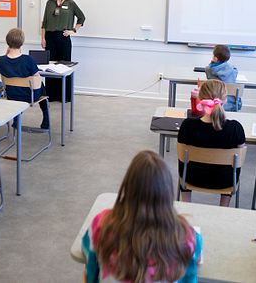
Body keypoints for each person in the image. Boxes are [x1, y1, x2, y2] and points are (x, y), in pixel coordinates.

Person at [82, 151, 201, 283]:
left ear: (127, 187)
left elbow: (90, 276)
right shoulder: (187, 238)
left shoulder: (101, 225)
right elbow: (190, 278)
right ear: (168, 194)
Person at [177, 79, 246, 206]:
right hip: (225, 181)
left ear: (200, 99)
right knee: (234, 165)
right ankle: (224, 207)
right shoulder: (235, 128)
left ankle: (185, 204)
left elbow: (181, 158)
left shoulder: (187, 126)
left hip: (191, 177)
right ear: (224, 100)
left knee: (183, 160)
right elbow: (240, 158)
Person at [0, 28, 49, 129]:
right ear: (22, 42)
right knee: (41, 85)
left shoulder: (1, 60)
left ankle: (16, 120)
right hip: (29, 96)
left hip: (11, 94)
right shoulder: (28, 59)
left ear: (7, 42)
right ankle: (46, 119)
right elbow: (37, 77)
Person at [40, 0, 85, 102]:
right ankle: (52, 95)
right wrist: (43, 38)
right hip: (50, 37)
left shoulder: (70, 4)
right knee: (50, 66)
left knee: (64, 66)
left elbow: (81, 17)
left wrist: (73, 30)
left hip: (63, 37)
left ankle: (65, 96)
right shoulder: (49, 3)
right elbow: (44, 22)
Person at [204, 44, 241, 111]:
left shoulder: (209, 70)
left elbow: (209, 71)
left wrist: (211, 64)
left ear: (215, 58)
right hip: (231, 105)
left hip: (215, 104)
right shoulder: (233, 70)